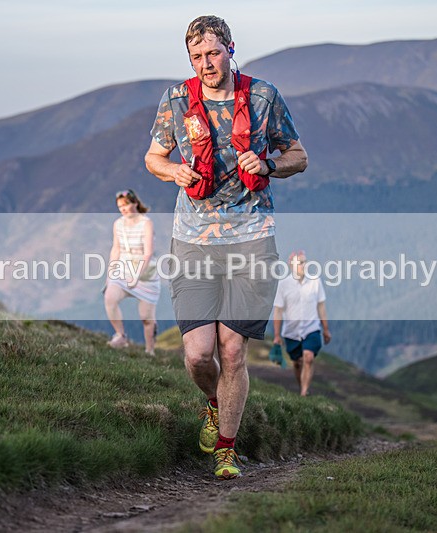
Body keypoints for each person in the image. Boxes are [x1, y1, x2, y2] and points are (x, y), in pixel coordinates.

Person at [144, 15, 308, 479]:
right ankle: (215, 406)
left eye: (212, 54)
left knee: (232, 352)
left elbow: (299, 156)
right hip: (192, 240)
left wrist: (270, 163)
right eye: (196, 57)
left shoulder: (262, 96)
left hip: (252, 239)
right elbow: (154, 157)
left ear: (231, 49)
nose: (204, 64)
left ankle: (227, 451)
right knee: (198, 354)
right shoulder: (176, 99)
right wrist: (173, 171)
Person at [104, 189, 160, 355]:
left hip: (145, 274)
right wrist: (111, 271)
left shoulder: (146, 223)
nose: (123, 209)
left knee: (146, 317)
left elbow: (148, 253)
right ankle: (120, 336)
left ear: (135, 203)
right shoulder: (118, 224)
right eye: (120, 206)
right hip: (124, 269)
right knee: (109, 297)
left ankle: (150, 350)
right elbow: (116, 248)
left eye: (126, 204)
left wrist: (137, 276)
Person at [273, 251, 331, 397]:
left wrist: (325, 329)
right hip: (291, 332)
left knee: (308, 357)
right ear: (291, 265)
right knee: (297, 363)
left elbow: (321, 307)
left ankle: (304, 392)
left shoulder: (315, 282)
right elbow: (278, 311)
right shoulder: (283, 285)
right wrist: (276, 335)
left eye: (305, 262)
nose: (303, 266)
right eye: (300, 263)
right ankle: (302, 388)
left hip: (311, 329)